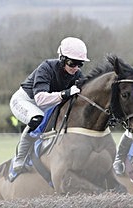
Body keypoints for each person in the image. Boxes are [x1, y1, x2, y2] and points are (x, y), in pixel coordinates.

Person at [8, 36, 89, 180]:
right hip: (26, 101)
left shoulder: (77, 74)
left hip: (47, 105)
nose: (75, 68)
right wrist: (64, 94)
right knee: (37, 119)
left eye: (80, 64)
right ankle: (19, 158)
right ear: (62, 59)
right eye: (72, 63)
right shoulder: (46, 68)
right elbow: (40, 99)